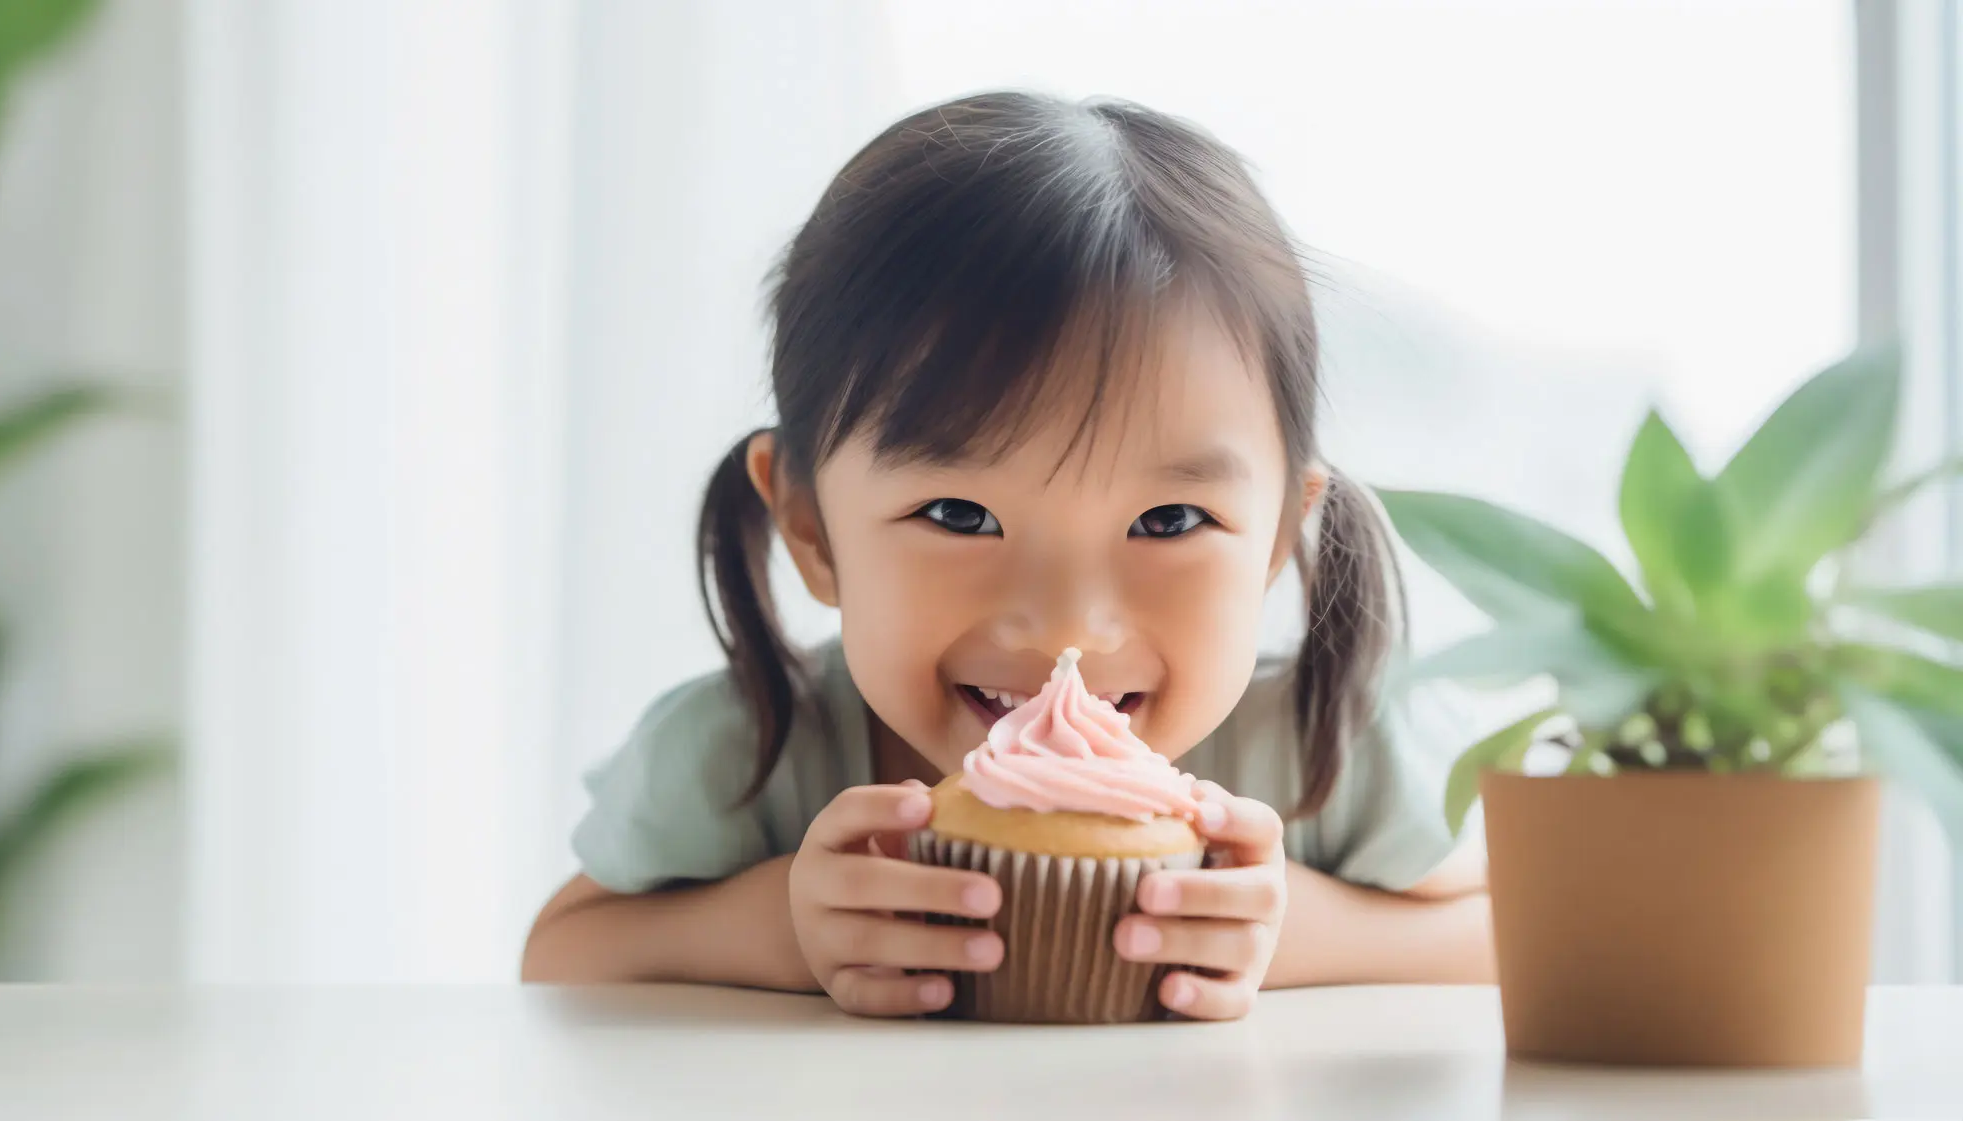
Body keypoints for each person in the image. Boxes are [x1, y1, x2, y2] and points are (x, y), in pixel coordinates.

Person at [522, 91, 1492, 1019]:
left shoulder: (1331, 744)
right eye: (957, 511)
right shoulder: (742, 754)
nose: (1068, 626)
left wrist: (1285, 932)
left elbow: (1504, 937)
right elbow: (560, 954)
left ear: (1279, 532)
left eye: (1166, 521)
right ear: (810, 528)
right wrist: (781, 928)